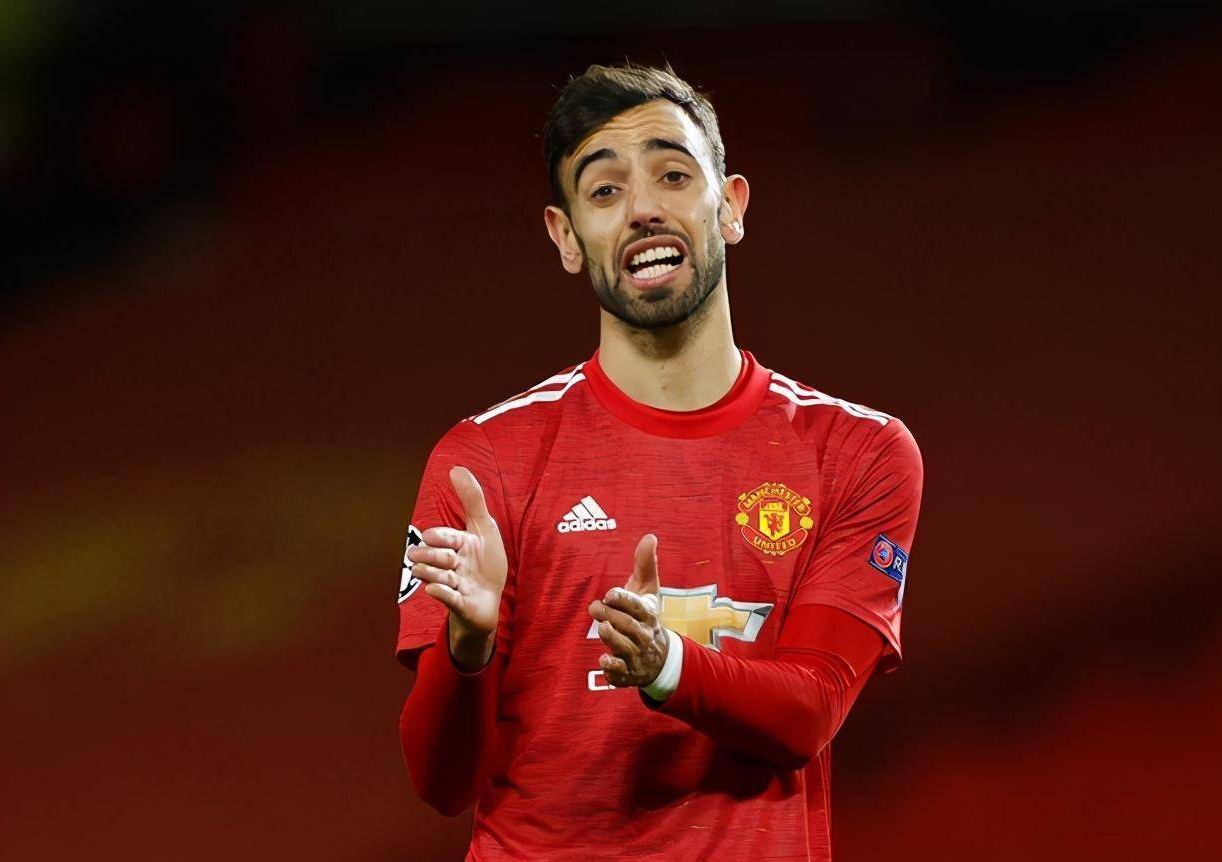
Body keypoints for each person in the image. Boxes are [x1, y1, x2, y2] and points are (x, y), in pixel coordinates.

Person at [395, 60, 923, 861]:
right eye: (605, 191)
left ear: (731, 206)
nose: (643, 208)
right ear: (566, 237)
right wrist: (468, 648)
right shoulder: (485, 463)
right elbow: (440, 783)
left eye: (673, 175)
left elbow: (808, 712)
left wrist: (666, 664)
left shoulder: (856, 452)